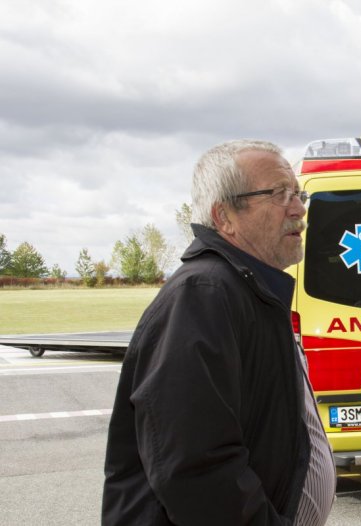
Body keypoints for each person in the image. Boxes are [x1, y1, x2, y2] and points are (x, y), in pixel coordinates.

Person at [103, 140, 335, 525]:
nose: (298, 208)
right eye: (279, 194)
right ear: (224, 215)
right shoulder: (203, 297)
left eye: (298, 193)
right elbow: (197, 470)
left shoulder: (249, 290)